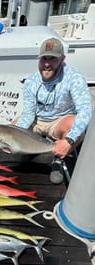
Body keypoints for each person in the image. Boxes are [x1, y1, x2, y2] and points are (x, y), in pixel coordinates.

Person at [15, 37, 93, 184]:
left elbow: (86, 109)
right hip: (37, 120)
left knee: (75, 128)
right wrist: (15, 134)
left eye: (53, 59)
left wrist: (69, 141)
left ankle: (59, 159)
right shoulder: (31, 81)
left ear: (63, 59)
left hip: (60, 121)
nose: (47, 64)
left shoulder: (73, 77)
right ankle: (32, 149)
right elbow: (28, 114)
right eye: (44, 59)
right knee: (13, 127)